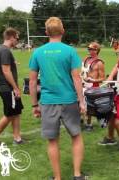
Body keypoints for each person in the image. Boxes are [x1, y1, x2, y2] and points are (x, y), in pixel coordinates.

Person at [29, 17, 87, 180]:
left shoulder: (38, 52)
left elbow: (32, 81)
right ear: (63, 31)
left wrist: (34, 105)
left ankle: (57, 178)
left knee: (52, 141)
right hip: (69, 100)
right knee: (76, 136)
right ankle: (77, 175)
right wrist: (81, 101)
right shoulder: (70, 51)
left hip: (48, 102)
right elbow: (77, 78)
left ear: (46, 32)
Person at [0, 28, 24, 146]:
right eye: (17, 38)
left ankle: (17, 138)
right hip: (8, 88)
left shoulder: (2, 50)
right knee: (9, 115)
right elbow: (6, 71)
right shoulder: (4, 51)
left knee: (16, 112)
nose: (17, 41)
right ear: (11, 37)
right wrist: (15, 88)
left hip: (7, 88)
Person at [81, 42, 105, 131]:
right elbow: (82, 71)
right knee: (80, 103)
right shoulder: (86, 59)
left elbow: (102, 78)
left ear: (96, 50)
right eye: (89, 48)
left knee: (89, 106)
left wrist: (92, 80)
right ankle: (82, 120)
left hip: (93, 86)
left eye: (91, 49)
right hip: (83, 85)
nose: (89, 50)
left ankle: (89, 124)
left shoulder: (99, 63)